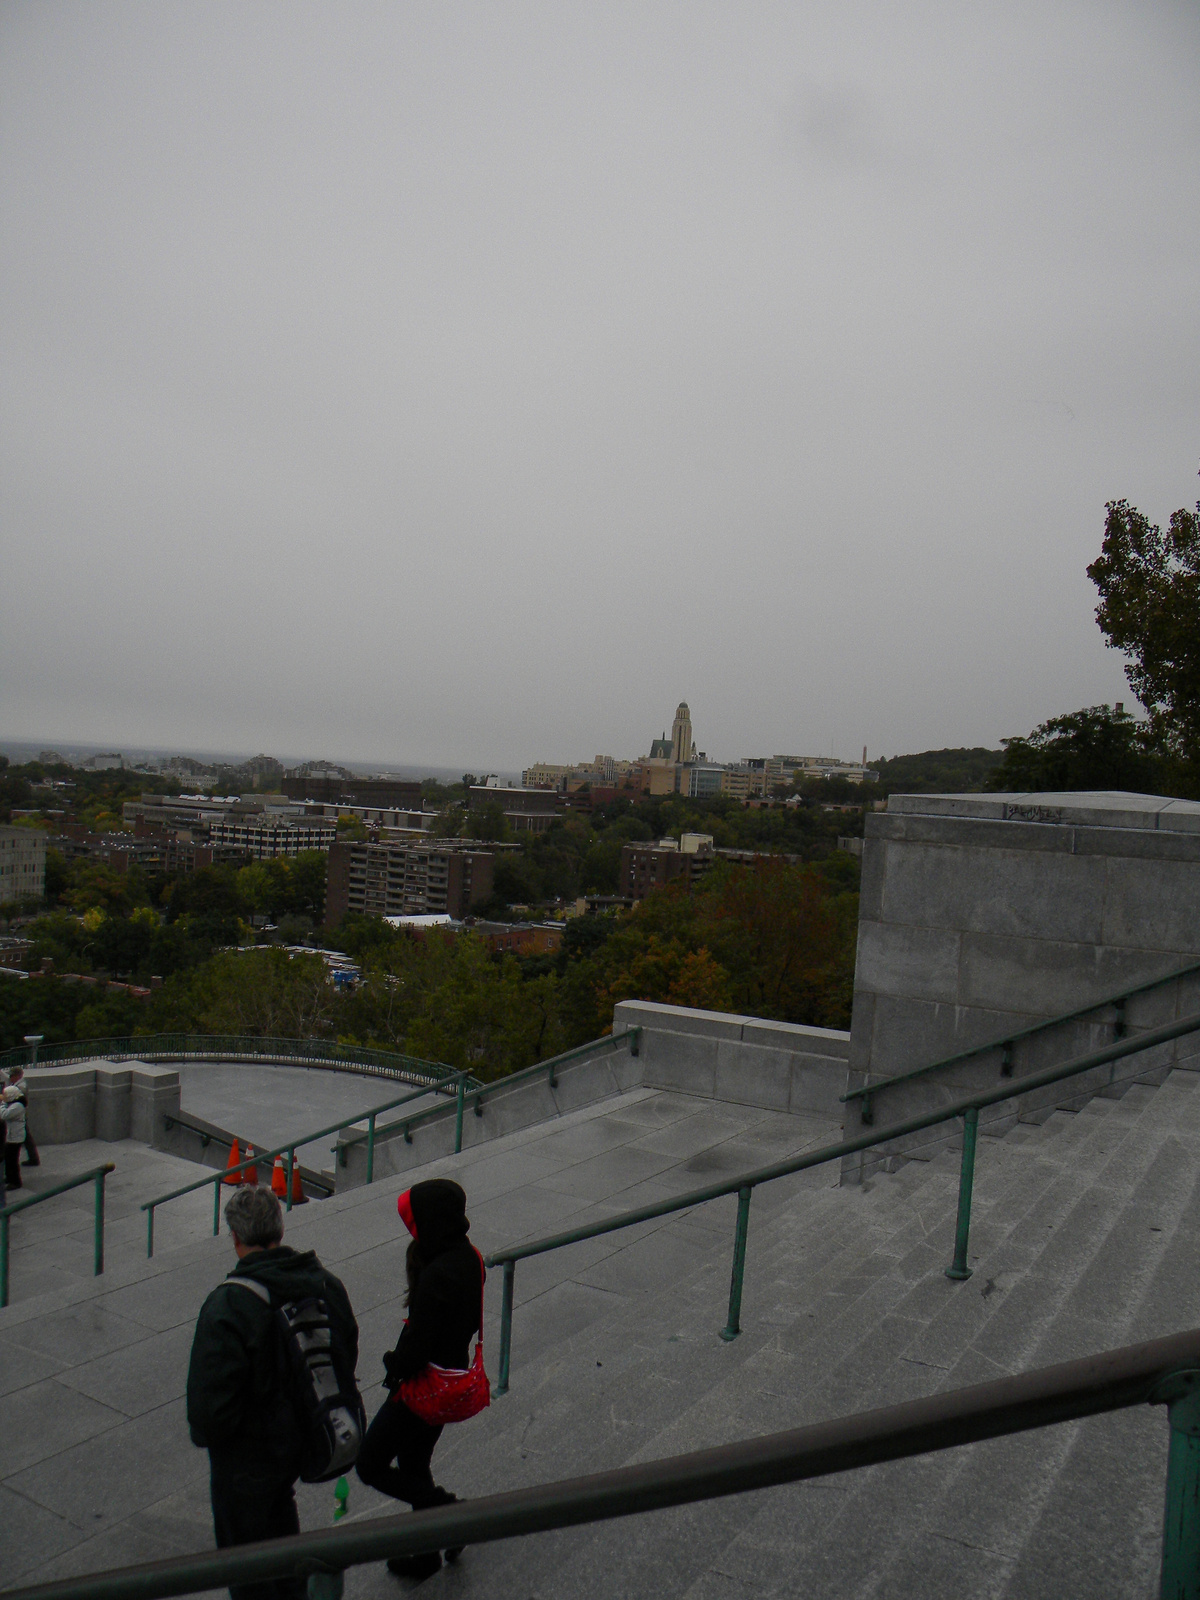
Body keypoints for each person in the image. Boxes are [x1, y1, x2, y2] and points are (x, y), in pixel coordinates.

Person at [187, 1184, 359, 1600]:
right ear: (279, 1228)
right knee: (284, 1535)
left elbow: (208, 1418)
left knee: (248, 1567)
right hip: (298, 1444)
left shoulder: (227, 1306)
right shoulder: (325, 1283)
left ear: (234, 1236)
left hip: (245, 1465)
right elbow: (345, 1351)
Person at [357, 1179, 483, 1582]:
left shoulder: (437, 1275)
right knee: (414, 1466)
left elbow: (415, 1352)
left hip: (421, 1391)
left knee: (370, 1464)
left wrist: (392, 1361)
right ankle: (427, 1554)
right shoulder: (470, 1258)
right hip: (450, 1383)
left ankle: (448, 1511)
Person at [7, 1068, 38, 1167]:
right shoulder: (18, 1085)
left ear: (17, 1076)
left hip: (19, 1115)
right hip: (20, 1114)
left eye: (12, 1076)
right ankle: (34, 1158)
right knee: (26, 1138)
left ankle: (33, 1159)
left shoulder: (21, 1087)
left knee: (24, 1138)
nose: (10, 1078)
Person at [1, 1085, 26, 1192]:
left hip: (16, 1137)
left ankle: (15, 1181)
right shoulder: (13, 1104)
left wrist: (2, 1104)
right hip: (11, 1136)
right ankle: (9, 1177)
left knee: (13, 1160)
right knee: (8, 1158)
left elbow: (4, 1115)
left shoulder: (18, 1106)